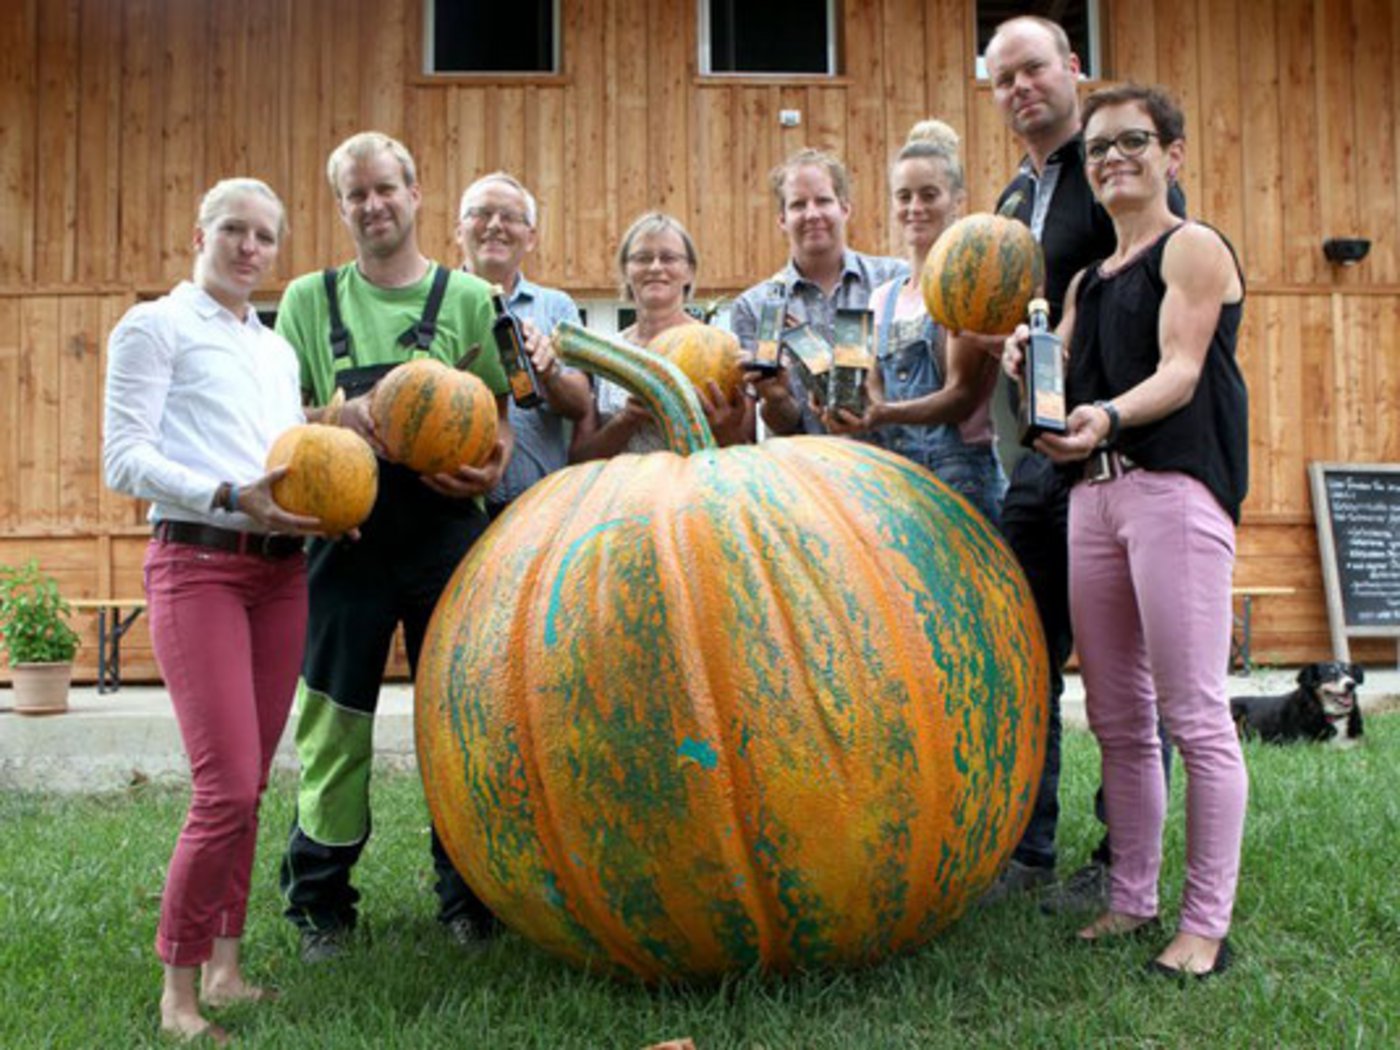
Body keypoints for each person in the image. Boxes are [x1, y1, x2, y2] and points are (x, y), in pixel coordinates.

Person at [1008, 83, 1248, 976]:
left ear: (1172, 156)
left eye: (1133, 142)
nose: (1112, 158)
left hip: (1172, 490)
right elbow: (1058, 382)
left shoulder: (1194, 249)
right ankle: (1132, 899)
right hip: (1092, 500)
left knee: (1193, 716)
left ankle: (1204, 927)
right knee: (1115, 718)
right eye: (1099, 147)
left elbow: (1182, 371)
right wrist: (1029, 370)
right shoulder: (1082, 279)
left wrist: (1103, 416)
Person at [275, 132, 512, 962]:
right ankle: (320, 905)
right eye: (356, 195)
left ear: (416, 195)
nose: (373, 206)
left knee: (457, 722)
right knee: (334, 724)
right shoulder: (308, 300)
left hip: (447, 535)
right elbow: (276, 421)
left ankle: (470, 898)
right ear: (341, 208)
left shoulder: (471, 301)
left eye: (387, 189)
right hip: (347, 536)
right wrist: (335, 420)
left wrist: (491, 459)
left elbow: (496, 422)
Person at [104, 177, 324, 1042]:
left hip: (282, 574)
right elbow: (125, 458)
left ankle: (228, 969)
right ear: (200, 232)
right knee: (224, 786)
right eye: (234, 230)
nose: (248, 248)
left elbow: (285, 457)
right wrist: (228, 492)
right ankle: (178, 992)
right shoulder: (153, 326)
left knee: (256, 780)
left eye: (265, 237)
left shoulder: (274, 352)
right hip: (197, 563)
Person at [978, 15, 1182, 910]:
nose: (1020, 88)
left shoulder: (1113, 170)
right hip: (1037, 455)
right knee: (1025, 651)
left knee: (1122, 669)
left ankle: (1122, 852)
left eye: (1033, 69)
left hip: (1121, 451)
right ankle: (1029, 850)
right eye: (1002, 79)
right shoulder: (1013, 200)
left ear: (1072, 67)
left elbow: (1149, 283)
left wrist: (1105, 408)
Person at [820, 120, 1005, 525]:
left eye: (929, 195)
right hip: (895, 479)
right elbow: (864, 388)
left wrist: (882, 413)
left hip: (961, 477)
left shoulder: (967, 286)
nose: (914, 207)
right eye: (903, 196)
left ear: (957, 200)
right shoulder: (879, 297)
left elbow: (961, 397)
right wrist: (837, 403)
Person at [729, 148, 907, 436]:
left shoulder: (892, 281)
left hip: (886, 468)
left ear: (845, 208)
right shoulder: (756, 307)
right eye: (798, 205)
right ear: (782, 219)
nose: (812, 214)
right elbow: (784, 424)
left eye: (823, 200)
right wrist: (776, 398)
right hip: (804, 473)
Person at [454, 171, 591, 514]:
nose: (495, 225)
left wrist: (550, 372)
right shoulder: (436, 304)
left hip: (540, 508)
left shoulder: (556, 307)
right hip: (458, 507)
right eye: (482, 213)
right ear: (459, 230)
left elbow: (581, 406)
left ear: (530, 238)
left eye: (510, 217)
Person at [573, 211, 753, 459]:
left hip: (695, 494)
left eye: (668, 258)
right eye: (642, 258)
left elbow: (748, 455)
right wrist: (626, 420)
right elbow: (579, 458)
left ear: (689, 271)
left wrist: (725, 431)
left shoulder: (725, 347)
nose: (656, 267)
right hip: (624, 495)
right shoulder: (605, 354)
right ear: (626, 270)